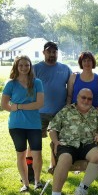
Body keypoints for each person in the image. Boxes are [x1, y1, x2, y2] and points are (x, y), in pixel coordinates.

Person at [47, 88, 98, 195]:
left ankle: (82, 189)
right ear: (77, 97)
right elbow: (52, 127)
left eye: (89, 98)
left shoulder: (94, 112)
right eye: (83, 97)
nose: (86, 100)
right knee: (64, 160)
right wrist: (56, 141)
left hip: (87, 144)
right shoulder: (66, 110)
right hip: (67, 144)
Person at [1, 55, 44, 192]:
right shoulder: (11, 84)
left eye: (27, 65)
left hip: (34, 124)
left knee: (37, 154)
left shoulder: (37, 82)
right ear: (16, 67)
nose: (24, 68)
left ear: (30, 66)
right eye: (21, 65)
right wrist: (13, 107)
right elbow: (4, 104)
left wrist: (18, 106)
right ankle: (25, 184)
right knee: (21, 154)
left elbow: (39, 104)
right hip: (16, 125)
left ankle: (37, 182)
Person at [32, 42, 72, 172]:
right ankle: (32, 168)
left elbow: (72, 85)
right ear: (43, 52)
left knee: (57, 141)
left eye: (54, 52)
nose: (52, 54)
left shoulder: (65, 68)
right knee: (35, 142)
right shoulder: (36, 68)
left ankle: (53, 165)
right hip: (39, 112)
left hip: (59, 112)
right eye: (49, 52)